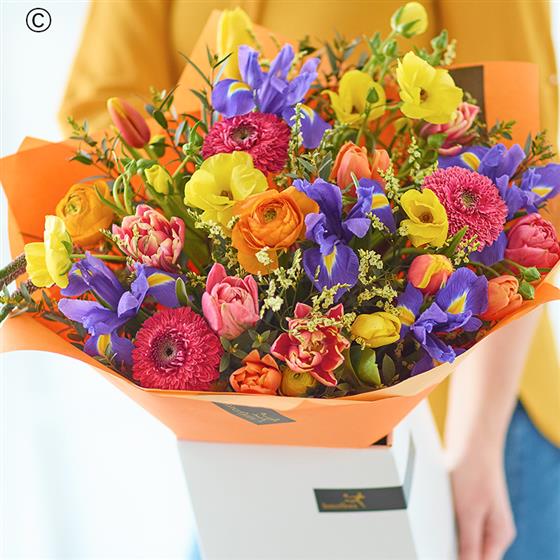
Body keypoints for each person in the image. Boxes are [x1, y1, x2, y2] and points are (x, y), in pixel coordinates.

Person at [60, 2, 560, 559]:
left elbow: (514, 161)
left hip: (467, 410)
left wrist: (477, 447)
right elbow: (102, 124)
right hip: (245, 419)